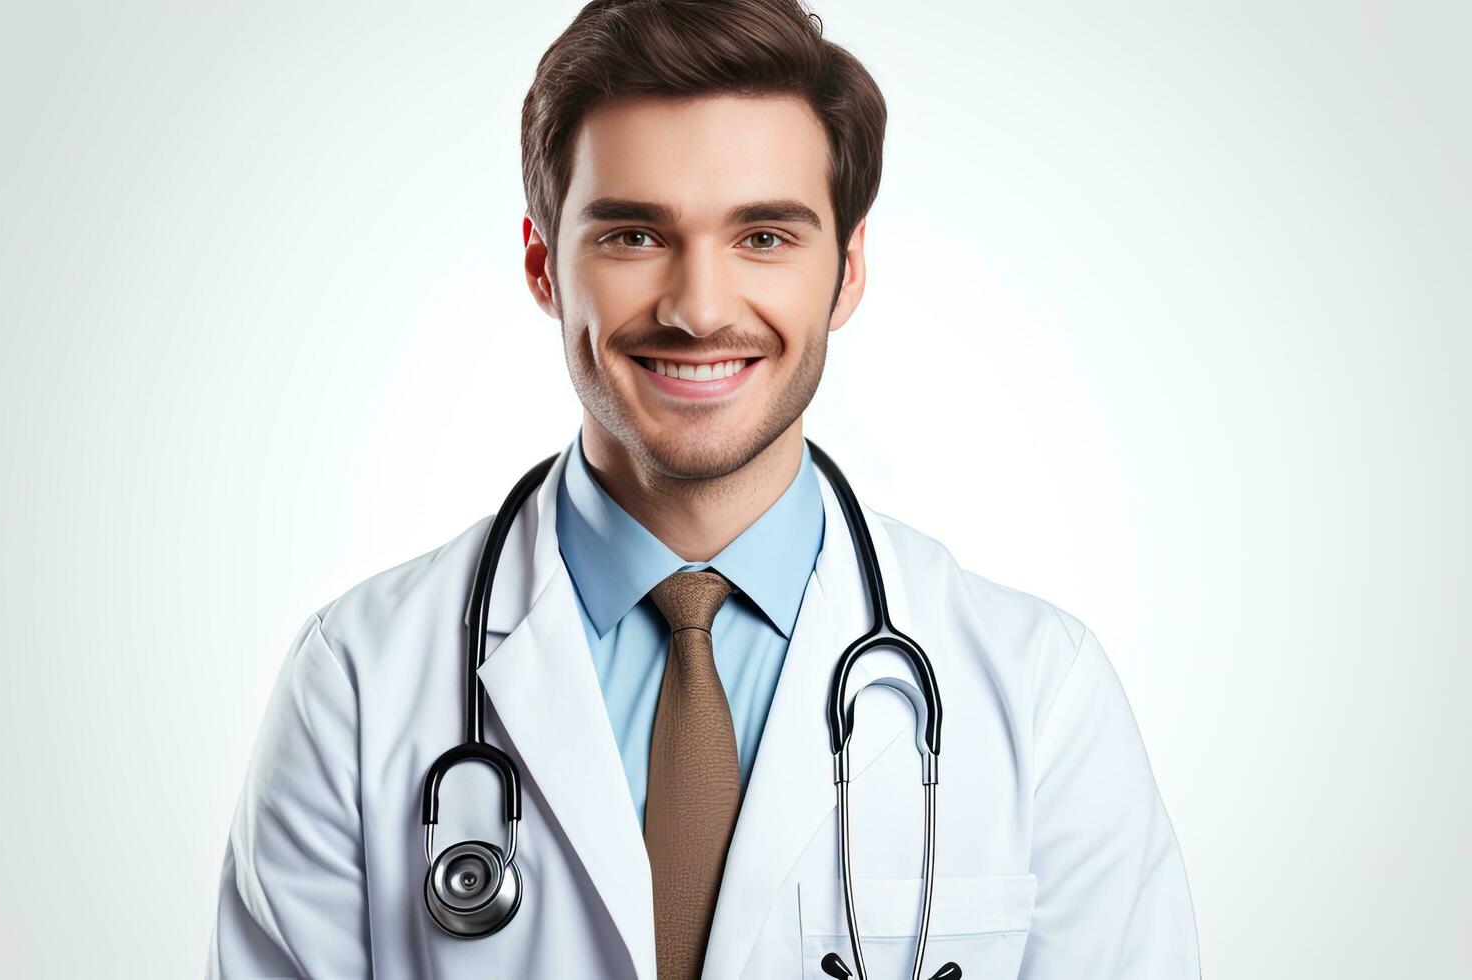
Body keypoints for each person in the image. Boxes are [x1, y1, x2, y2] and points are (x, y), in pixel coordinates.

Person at [207, 1, 1200, 976]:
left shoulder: (1038, 697)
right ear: (543, 264)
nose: (697, 307)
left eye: (763, 236)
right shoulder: (357, 682)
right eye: (633, 235)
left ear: (844, 271)